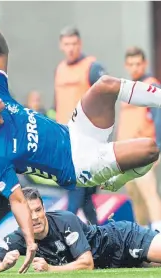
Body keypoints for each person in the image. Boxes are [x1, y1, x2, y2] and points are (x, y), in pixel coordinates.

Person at [0, 8, 161, 273]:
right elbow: (17, 199)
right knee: (149, 149)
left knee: (106, 84)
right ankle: (114, 180)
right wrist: (29, 241)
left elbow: (0, 52)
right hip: (77, 165)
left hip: (74, 132)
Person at [0, 175, 161, 273]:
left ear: (44, 210)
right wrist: (0, 266)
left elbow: (86, 264)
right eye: (28, 213)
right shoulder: (18, 237)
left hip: (126, 241)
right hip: (122, 263)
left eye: (37, 211)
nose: (34, 217)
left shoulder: (64, 220)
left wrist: (50, 269)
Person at [55, 26, 106, 224]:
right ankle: (100, 237)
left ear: (80, 44)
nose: (71, 48)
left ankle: (61, 232)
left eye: (74, 43)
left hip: (86, 139)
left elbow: (106, 98)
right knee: (84, 196)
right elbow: (58, 105)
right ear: (61, 46)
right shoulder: (59, 69)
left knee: (75, 190)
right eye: (67, 44)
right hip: (64, 139)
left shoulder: (92, 67)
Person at [117, 46, 161, 233]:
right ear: (126, 65)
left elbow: (159, 118)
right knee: (135, 196)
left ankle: (160, 234)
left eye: (138, 63)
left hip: (143, 150)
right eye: (130, 64)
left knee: (149, 192)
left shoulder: (152, 85)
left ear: (144, 63)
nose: (134, 67)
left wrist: (159, 147)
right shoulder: (127, 89)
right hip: (125, 152)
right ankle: (143, 235)